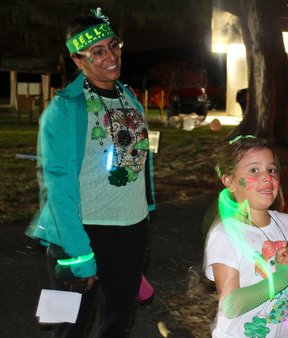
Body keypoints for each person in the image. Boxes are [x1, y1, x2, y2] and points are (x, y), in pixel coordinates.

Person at [26, 8, 155, 337]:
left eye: (114, 46)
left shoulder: (129, 97)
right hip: (79, 233)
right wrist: (78, 252)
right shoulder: (64, 109)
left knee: (117, 321)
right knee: (68, 327)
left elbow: (138, 161)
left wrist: (144, 210)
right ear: (77, 59)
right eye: (98, 52)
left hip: (132, 230)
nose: (111, 57)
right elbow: (57, 187)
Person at [204, 136, 288, 337]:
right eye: (254, 170)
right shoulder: (226, 235)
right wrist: (278, 280)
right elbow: (230, 305)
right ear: (230, 181)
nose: (267, 177)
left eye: (271, 170)